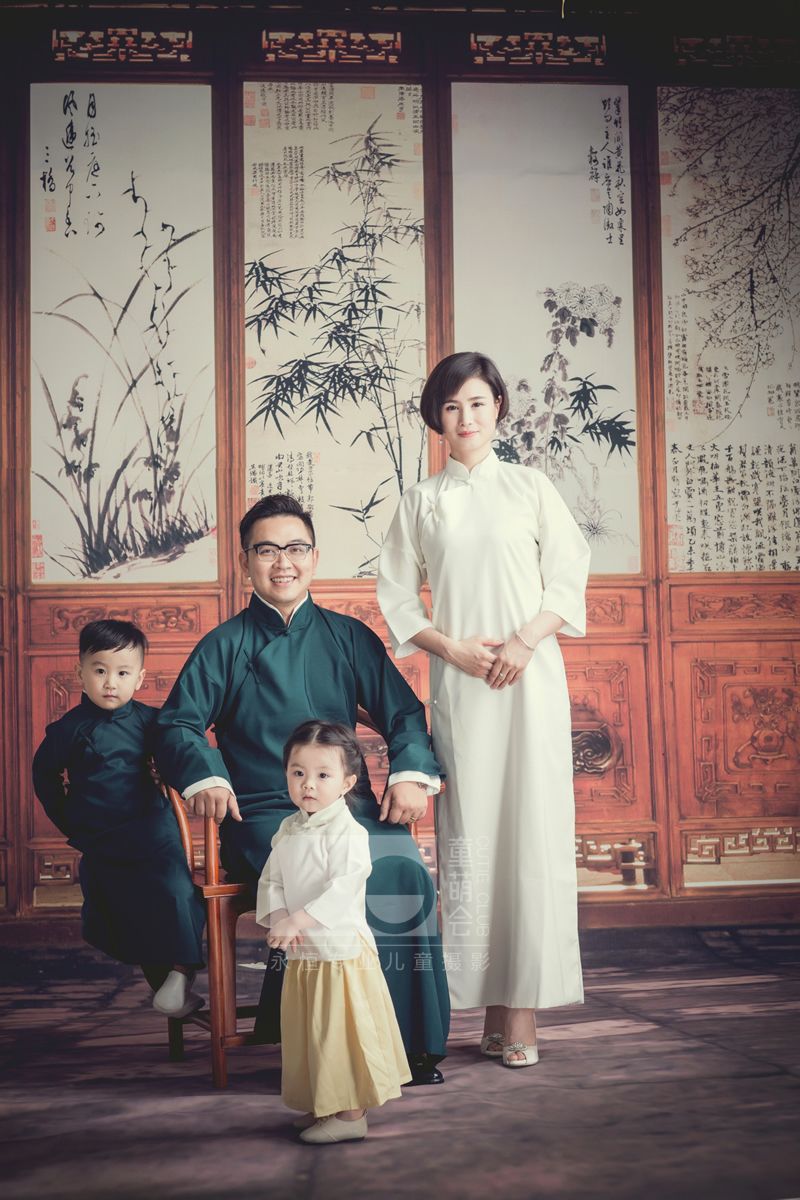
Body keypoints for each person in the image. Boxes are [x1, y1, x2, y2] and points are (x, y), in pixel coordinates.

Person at [154, 493, 450, 1083]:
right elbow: (177, 725)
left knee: (401, 872)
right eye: (266, 550)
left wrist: (410, 774)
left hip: (349, 807)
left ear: (314, 557)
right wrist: (207, 776)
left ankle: (405, 1045)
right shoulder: (225, 644)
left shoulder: (348, 636)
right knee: (318, 871)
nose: (282, 562)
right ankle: (320, 1043)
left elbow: (403, 714)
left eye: (295, 548)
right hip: (265, 814)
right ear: (245, 561)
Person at [377, 351, 590, 1068]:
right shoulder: (421, 502)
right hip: (464, 688)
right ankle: (490, 1008)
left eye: (476, 403)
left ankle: (521, 1012)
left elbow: (568, 576)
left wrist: (524, 643)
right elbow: (397, 597)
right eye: (450, 407)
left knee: (530, 833)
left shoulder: (531, 488)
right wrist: (452, 650)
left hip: (529, 682)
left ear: (497, 406)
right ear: (436, 418)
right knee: (473, 840)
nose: (465, 418)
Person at [32, 619, 205, 1017]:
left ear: (140, 678)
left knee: (178, 893)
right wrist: (73, 823)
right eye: (100, 671)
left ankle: (180, 976)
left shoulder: (152, 722)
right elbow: (44, 777)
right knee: (132, 914)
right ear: (80, 672)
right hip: (103, 839)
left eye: (123, 673)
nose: (111, 683)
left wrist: (175, 776)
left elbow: (179, 757)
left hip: (154, 831)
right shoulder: (68, 730)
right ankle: (169, 988)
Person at [257, 720, 410, 1144]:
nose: (308, 784)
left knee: (340, 1032)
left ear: (347, 782)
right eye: (298, 772)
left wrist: (298, 920)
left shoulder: (348, 833)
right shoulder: (289, 829)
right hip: (305, 951)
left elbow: (343, 888)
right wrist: (280, 916)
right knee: (311, 1031)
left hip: (339, 953)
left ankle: (350, 1114)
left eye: (323, 775)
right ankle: (324, 1103)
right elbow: (271, 880)